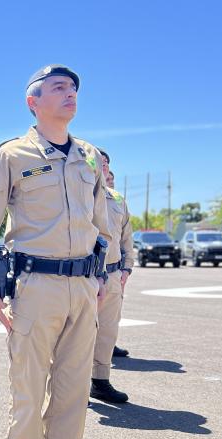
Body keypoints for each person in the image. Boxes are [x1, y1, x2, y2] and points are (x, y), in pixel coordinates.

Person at [0, 65, 112, 439]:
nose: (70, 94)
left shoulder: (88, 155)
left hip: (83, 288)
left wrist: (102, 275)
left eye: (73, 88)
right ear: (34, 101)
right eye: (58, 88)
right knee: (29, 386)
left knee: (72, 387)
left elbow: (101, 223)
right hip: (35, 286)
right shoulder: (9, 156)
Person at [92, 153, 134, 404]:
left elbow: (126, 237)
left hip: (113, 273)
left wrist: (126, 269)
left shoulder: (118, 199)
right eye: (99, 162)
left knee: (107, 331)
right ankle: (72, 386)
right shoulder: (80, 193)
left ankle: (100, 381)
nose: (104, 165)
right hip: (86, 274)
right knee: (79, 333)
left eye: (107, 163)